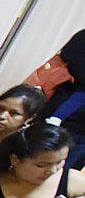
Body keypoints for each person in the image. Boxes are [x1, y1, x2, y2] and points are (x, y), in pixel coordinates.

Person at [38, 29, 85, 168]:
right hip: (61, 117)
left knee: (66, 171)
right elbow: (70, 57)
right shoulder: (83, 36)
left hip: (82, 131)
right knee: (39, 159)